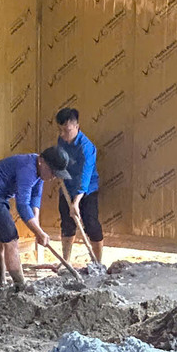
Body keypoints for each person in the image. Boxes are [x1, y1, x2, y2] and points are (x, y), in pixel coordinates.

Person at [0, 145, 72, 291]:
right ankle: (21, 286)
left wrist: (37, 227)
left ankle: (0, 286)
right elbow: (22, 206)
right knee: (11, 241)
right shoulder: (28, 168)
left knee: (2, 242)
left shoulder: (39, 170)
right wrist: (38, 232)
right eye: (52, 172)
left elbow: (35, 198)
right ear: (42, 161)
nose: (53, 177)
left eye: (56, 174)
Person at [55, 107, 103, 264]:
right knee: (67, 224)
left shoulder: (87, 147)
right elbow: (59, 162)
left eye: (66, 130)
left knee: (91, 224)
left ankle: (97, 262)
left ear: (77, 127)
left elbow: (85, 176)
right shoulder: (61, 141)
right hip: (67, 188)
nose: (63, 134)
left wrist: (76, 202)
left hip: (87, 190)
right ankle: (66, 261)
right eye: (60, 130)